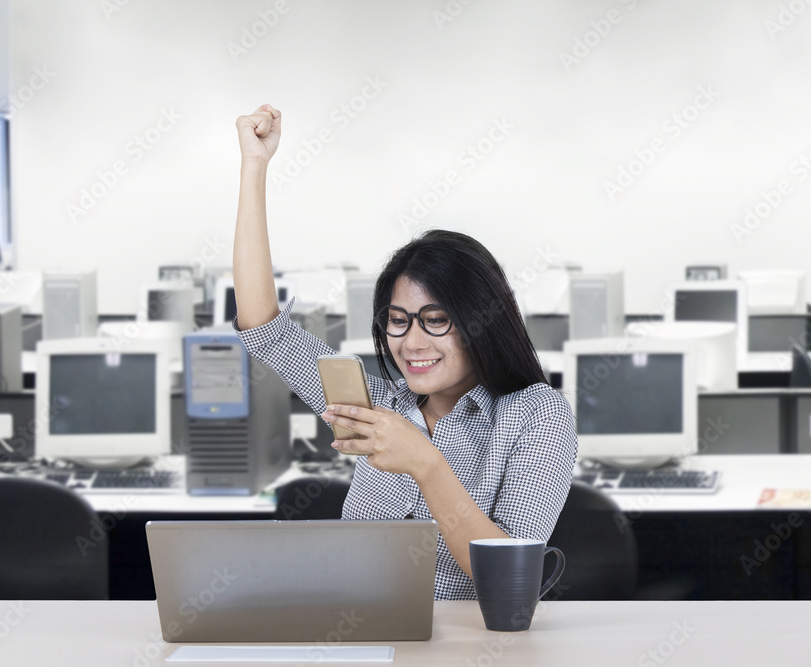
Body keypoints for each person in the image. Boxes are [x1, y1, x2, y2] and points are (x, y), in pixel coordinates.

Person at [233, 104, 577, 600]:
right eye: (398, 321)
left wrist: (426, 464)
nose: (411, 343)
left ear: (482, 320)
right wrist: (253, 167)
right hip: (355, 635)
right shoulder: (376, 408)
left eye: (435, 321)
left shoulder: (535, 417)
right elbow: (265, 328)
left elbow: (510, 583)